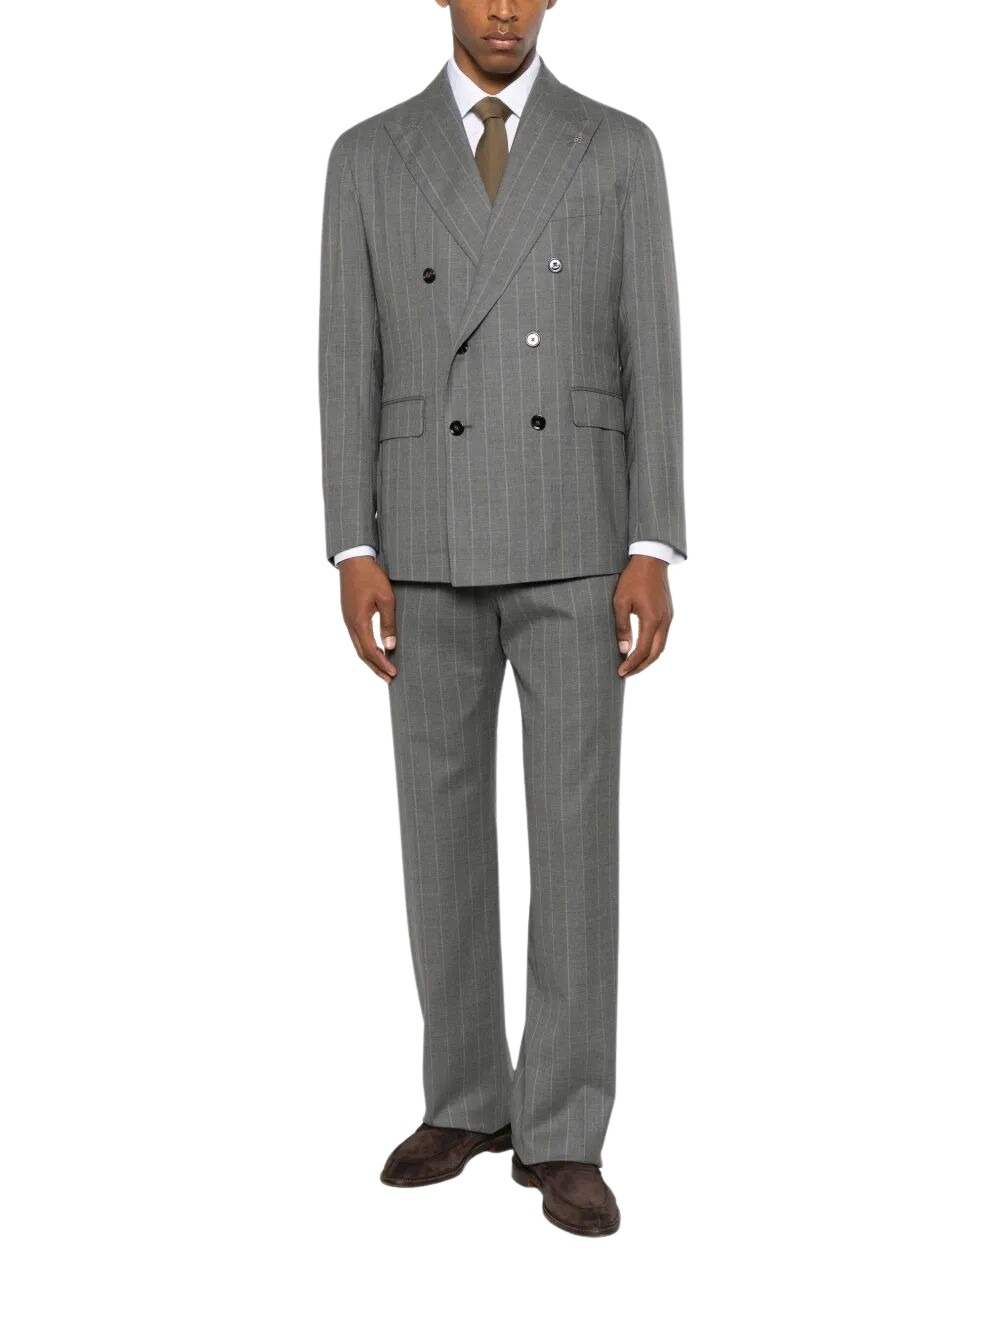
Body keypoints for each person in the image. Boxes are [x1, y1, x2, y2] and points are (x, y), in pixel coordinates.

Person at [318, 0, 685, 1237]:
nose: (501, 7)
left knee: (576, 835)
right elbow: (346, 359)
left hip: (578, 532)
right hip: (420, 534)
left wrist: (651, 543)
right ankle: (466, 1097)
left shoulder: (615, 146)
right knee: (438, 830)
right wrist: (352, 544)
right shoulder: (367, 156)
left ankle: (564, 1126)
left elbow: (651, 350)